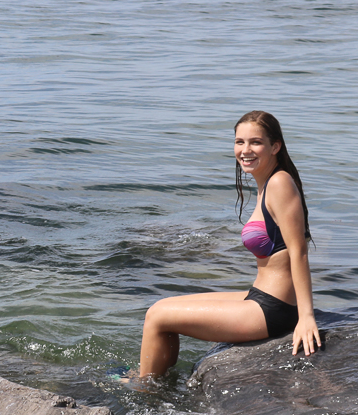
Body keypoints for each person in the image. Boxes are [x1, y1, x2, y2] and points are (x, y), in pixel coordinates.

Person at [137, 111, 320, 379]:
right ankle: (154, 378)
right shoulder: (267, 184)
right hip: (260, 297)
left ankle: (145, 390)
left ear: (275, 146)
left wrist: (306, 317)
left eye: (255, 142)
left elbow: (299, 252)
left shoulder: (279, 183)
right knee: (163, 308)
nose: (245, 150)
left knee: (157, 316)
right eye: (239, 142)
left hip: (274, 310)